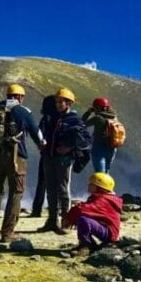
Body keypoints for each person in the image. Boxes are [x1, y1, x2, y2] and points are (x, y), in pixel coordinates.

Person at [0, 84, 44, 241]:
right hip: (16, 157)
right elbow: (37, 134)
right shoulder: (23, 111)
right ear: (20, 97)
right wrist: (42, 145)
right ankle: (8, 232)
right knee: (16, 191)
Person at [37, 88, 92, 234]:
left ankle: (65, 221)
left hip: (64, 159)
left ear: (69, 103)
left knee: (62, 189)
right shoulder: (51, 118)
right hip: (48, 157)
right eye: (57, 101)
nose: (58, 104)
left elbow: (86, 140)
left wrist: (69, 147)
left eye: (61, 101)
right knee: (50, 189)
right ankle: (51, 221)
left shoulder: (74, 120)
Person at [62, 172, 122, 256]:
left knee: (83, 220)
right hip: (107, 230)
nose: (89, 185)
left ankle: (87, 246)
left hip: (109, 233)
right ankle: (89, 245)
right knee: (83, 218)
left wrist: (68, 220)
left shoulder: (102, 200)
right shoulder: (104, 198)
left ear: (100, 188)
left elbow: (81, 210)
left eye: (92, 184)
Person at [30, 95, 57, 218]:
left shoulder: (45, 118)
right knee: (58, 183)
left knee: (42, 182)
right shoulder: (61, 117)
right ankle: (56, 210)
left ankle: (36, 210)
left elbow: (40, 135)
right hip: (59, 155)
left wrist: (41, 147)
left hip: (46, 154)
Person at [82, 97, 119, 174]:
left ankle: (98, 186)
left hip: (99, 148)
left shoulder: (98, 118)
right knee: (106, 172)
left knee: (99, 174)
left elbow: (82, 124)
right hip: (112, 149)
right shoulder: (114, 117)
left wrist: (88, 112)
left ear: (98, 108)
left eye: (94, 108)